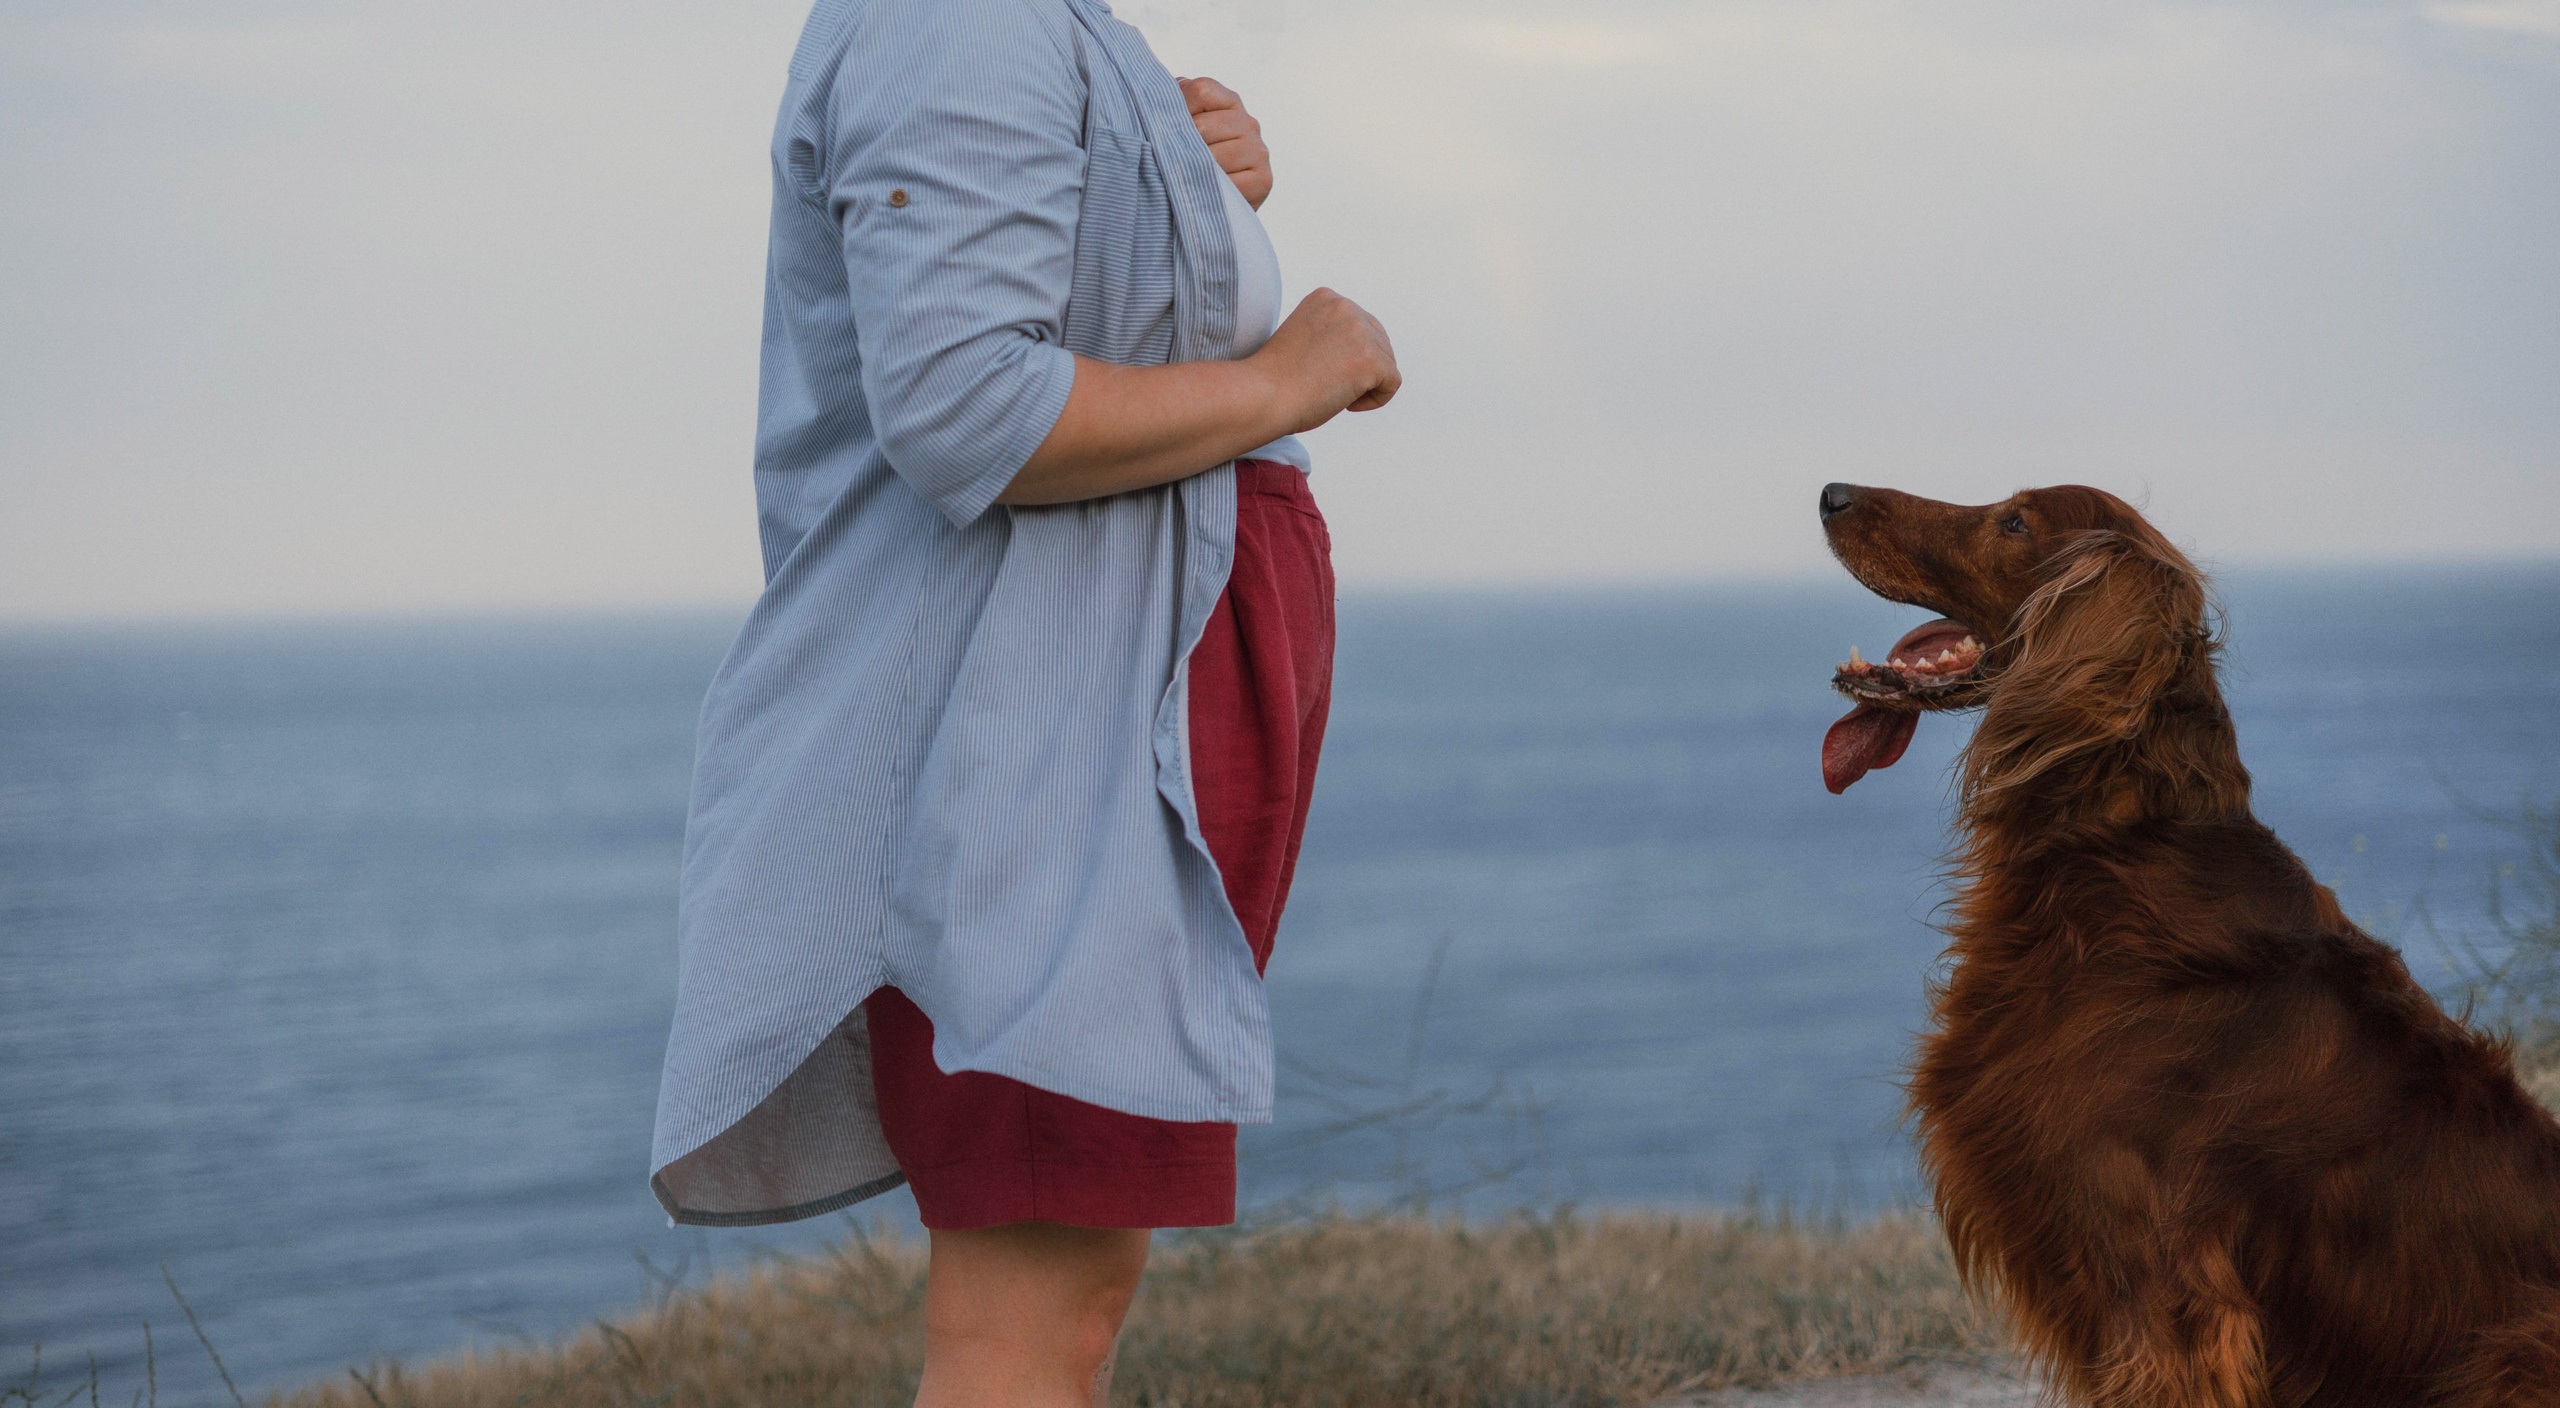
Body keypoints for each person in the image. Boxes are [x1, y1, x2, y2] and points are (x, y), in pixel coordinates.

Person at [644, 0, 1401, 1403]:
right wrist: (1284, 379)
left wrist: (1181, 186)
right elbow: (968, 410)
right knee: (1028, 1319)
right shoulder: (964, 16)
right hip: (1046, 742)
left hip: (1089, 718)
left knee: (1068, 1295)